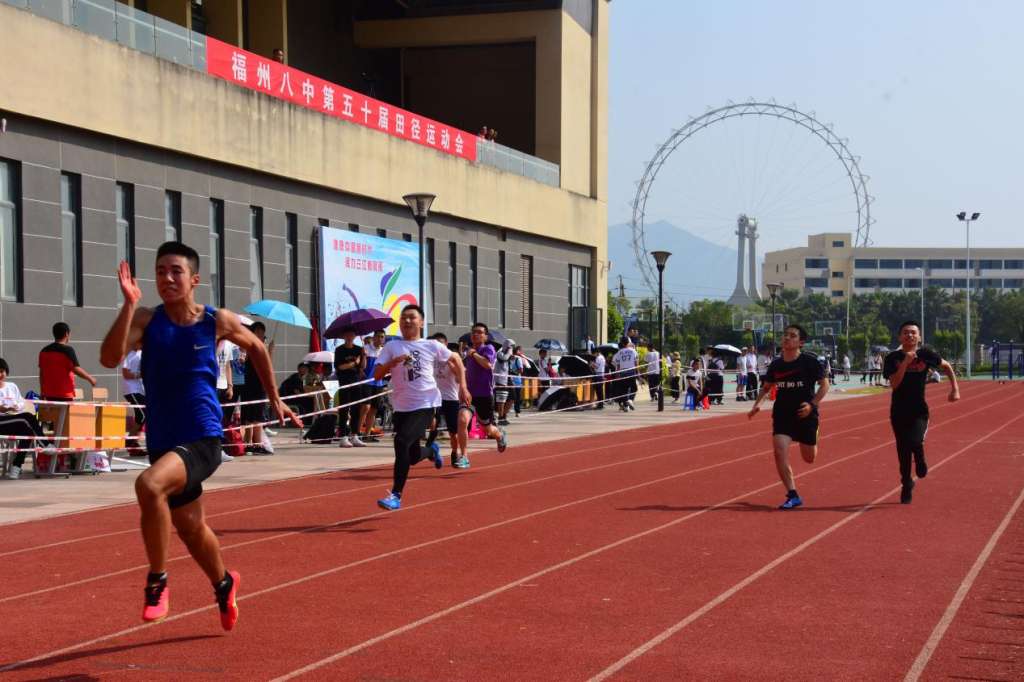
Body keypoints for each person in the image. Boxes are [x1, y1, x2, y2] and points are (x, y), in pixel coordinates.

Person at [99, 243, 301, 628]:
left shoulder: (215, 320)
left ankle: (157, 582)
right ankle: (225, 583)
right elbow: (109, 359)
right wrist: (128, 305)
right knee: (191, 528)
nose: (167, 278)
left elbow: (257, 346)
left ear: (194, 279)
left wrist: (275, 399)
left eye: (176, 271)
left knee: (149, 486)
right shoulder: (146, 319)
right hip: (163, 439)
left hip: (203, 436)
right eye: (160, 271)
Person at [374, 305, 470, 510]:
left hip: (426, 403)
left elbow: (456, 359)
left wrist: (463, 386)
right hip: (401, 406)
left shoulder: (432, 345)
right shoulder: (392, 347)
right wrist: (392, 362)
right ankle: (431, 450)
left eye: (411, 317)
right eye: (403, 318)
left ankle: (396, 495)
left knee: (401, 442)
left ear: (421, 322)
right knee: (412, 456)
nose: (407, 321)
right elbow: (377, 375)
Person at [747, 324, 830, 510]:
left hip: (805, 413)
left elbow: (825, 385)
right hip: (783, 414)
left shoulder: (809, 362)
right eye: (785, 335)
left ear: (800, 342)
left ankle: (812, 436)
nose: (786, 338)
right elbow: (767, 387)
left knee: (809, 458)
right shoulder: (776, 365)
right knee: (779, 451)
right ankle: (792, 494)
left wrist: (812, 405)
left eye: (792, 336)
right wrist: (757, 405)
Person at [883, 321, 960, 504]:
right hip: (898, 410)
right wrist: (905, 363)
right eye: (906, 333)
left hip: (919, 410)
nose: (909, 335)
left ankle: (920, 456)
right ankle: (906, 483)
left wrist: (955, 389)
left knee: (915, 441)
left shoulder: (926, 354)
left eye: (913, 333)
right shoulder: (892, 358)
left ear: (919, 337)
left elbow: (947, 366)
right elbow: (894, 384)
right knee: (902, 450)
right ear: (900, 337)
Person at [0, 357, 52, 479]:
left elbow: (21, 403)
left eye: (3, 371)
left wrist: (15, 406)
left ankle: (16, 467)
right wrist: (3, 408)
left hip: (13, 417)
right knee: (28, 417)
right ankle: (44, 444)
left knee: (27, 432)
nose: (1, 374)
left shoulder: (12, 386)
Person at [426, 332, 472, 468]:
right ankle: (431, 445)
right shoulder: (430, 359)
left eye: (440, 344)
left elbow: (460, 379)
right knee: (432, 423)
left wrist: (452, 366)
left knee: (453, 434)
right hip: (435, 398)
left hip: (451, 399)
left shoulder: (453, 359)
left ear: (445, 344)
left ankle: (454, 452)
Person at [464, 323, 510, 451]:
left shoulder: (488, 348)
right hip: (469, 395)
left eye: (479, 332)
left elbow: (487, 364)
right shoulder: (468, 352)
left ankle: (499, 435)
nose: (475, 334)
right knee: (462, 420)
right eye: (473, 332)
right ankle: (462, 455)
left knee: (487, 429)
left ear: (486, 336)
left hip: (483, 395)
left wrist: (473, 354)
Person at [39, 322, 96, 402]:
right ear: (66, 334)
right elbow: (76, 369)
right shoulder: (67, 350)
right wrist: (90, 378)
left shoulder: (44, 351)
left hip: (48, 395)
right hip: (64, 394)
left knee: (53, 415)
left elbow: (42, 374)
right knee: (65, 414)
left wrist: (42, 392)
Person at [240, 322, 274, 454]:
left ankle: (257, 444)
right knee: (248, 415)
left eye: (262, 331)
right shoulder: (247, 345)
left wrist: (270, 351)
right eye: (258, 331)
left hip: (261, 385)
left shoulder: (263, 347)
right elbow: (244, 358)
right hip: (249, 385)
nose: (260, 334)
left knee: (259, 416)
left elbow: (268, 365)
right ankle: (248, 443)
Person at [333, 327, 366, 448]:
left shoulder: (359, 349)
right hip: (344, 382)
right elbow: (340, 367)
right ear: (343, 336)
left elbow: (363, 367)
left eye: (352, 334)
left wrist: (364, 356)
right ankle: (343, 436)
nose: (349, 337)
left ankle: (355, 435)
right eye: (347, 335)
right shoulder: (339, 350)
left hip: (356, 382)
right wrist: (353, 363)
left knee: (356, 409)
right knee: (344, 410)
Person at [359, 329, 387, 442]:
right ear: (374, 337)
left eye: (382, 337)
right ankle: (358, 432)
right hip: (367, 382)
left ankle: (367, 434)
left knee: (374, 409)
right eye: (378, 336)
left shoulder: (384, 351)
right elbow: (361, 367)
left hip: (378, 383)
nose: (380, 339)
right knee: (365, 407)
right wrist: (364, 357)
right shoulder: (366, 348)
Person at [612, 339, 639, 411]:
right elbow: (636, 363)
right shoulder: (633, 351)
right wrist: (638, 373)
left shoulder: (619, 352)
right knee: (634, 388)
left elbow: (617, 365)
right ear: (628, 343)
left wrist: (617, 374)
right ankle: (630, 400)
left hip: (622, 372)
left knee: (624, 390)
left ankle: (626, 406)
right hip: (631, 371)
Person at [494, 340, 513, 425]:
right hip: (500, 379)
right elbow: (503, 358)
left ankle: (504, 415)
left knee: (512, 397)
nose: (512, 348)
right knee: (501, 399)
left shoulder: (508, 354)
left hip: (508, 378)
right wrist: (509, 353)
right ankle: (501, 417)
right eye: (511, 346)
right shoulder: (500, 353)